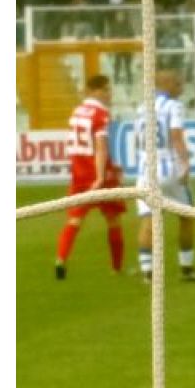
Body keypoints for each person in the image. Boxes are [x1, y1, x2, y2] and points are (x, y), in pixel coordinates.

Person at [57, 75, 126, 279]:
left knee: (75, 219)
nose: (109, 94)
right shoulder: (100, 113)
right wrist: (101, 176)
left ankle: (61, 259)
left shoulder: (77, 111)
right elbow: (101, 147)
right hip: (98, 172)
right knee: (113, 219)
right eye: (106, 90)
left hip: (79, 172)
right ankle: (116, 268)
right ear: (94, 91)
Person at [139, 68, 195, 282]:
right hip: (168, 168)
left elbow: (138, 139)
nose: (181, 87)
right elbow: (176, 136)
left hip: (146, 170)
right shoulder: (173, 106)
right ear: (166, 84)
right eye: (177, 83)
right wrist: (185, 164)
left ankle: (148, 272)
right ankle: (187, 268)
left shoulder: (143, 107)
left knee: (148, 220)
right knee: (187, 216)